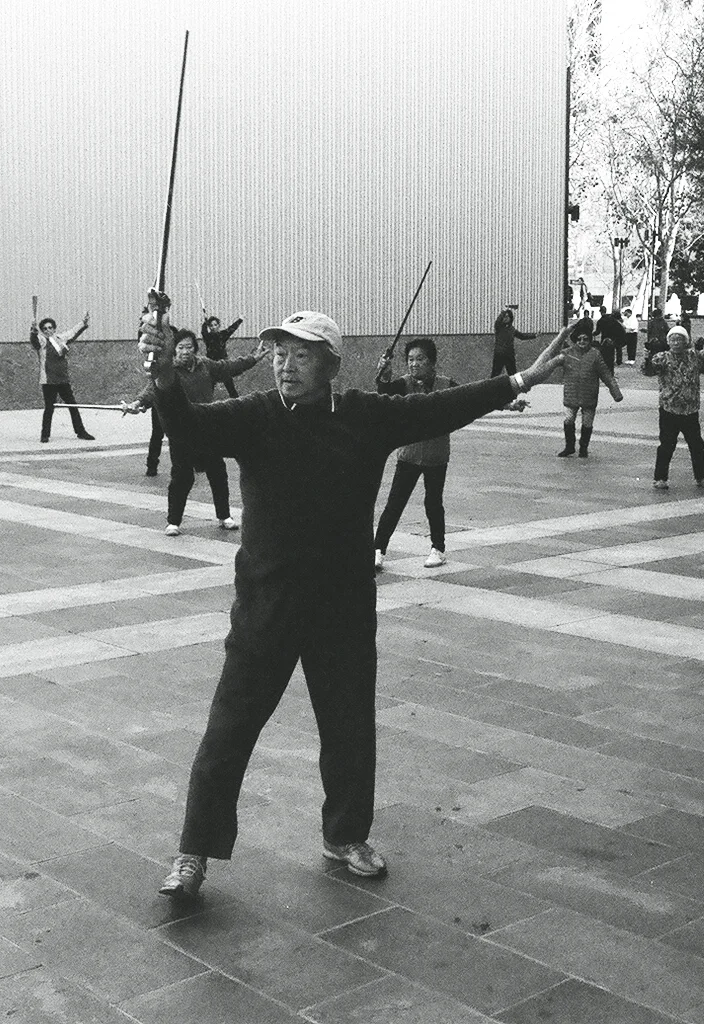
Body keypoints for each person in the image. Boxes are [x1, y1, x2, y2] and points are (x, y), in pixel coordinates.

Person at [140, 306, 568, 899]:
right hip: (266, 605)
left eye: (302, 354)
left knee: (349, 729)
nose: (287, 366)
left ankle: (345, 835)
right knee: (228, 731)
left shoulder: (365, 415)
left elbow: (441, 408)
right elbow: (188, 430)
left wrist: (519, 379)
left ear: (332, 365)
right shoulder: (255, 415)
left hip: (342, 606)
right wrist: (165, 378)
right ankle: (194, 851)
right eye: (280, 354)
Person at [130, 327, 267, 535]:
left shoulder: (206, 365)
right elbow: (152, 389)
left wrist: (253, 358)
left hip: (207, 428)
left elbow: (229, 367)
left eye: (189, 347)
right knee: (182, 478)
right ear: (174, 350)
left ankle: (224, 515)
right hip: (181, 432)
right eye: (180, 347)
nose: (185, 351)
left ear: (195, 348)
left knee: (218, 474)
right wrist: (138, 403)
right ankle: (173, 522)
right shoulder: (170, 372)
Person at [372, 338, 457, 571]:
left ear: (432, 362)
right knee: (395, 504)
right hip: (408, 455)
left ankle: (438, 549)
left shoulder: (446, 385)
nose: (414, 364)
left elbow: (472, 398)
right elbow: (384, 395)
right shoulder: (404, 384)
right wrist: (384, 376)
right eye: (410, 359)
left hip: (436, 456)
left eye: (420, 359)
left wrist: (505, 403)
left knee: (433, 503)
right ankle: (378, 549)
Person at [644, 322, 704, 490]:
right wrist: (647, 358)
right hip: (669, 409)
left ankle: (701, 477)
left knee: (697, 445)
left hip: (690, 410)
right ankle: (660, 478)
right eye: (673, 340)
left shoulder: (694, 356)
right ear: (668, 342)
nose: (676, 343)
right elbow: (648, 371)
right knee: (667, 445)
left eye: (680, 339)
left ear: (686, 341)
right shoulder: (662, 357)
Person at [557, 319, 623, 457]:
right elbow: (550, 362)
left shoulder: (595, 355)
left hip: (589, 395)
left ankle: (583, 448)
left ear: (590, 340)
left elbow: (606, 374)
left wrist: (616, 393)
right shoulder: (567, 353)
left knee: (587, 423)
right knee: (568, 420)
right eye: (579, 339)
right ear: (575, 340)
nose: (582, 342)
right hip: (571, 394)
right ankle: (569, 446)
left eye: (585, 339)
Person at [30, 312, 94, 443]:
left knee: (72, 406)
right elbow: (34, 341)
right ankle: (45, 434)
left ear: (54, 329)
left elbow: (73, 332)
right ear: (42, 331)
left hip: (63, 380)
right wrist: (33, 331)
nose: (48, 330)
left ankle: (80, 431)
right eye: (45, 329)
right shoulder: (42, 341)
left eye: (50, 327)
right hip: (48, 381)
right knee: (49, 408)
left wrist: (83, 322)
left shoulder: (60, 339)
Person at [200, 314, 245, 397]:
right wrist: (205, 322)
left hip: (223, 364)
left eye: (215, 325)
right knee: (209, 388)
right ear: (209, 327)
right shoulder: (207, 337)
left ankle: (237, 402)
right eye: (211, 325)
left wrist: (240, 320)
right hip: (212, 364)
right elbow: (203, 331)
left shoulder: (222, 335)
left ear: (219, 325)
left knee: (230, 387)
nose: (213, 327)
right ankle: (206, 403)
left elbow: (231, 328)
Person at [491, 307, 537, 378]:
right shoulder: (499, 327)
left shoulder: (512, 329)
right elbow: (498, 320)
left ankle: (513, 385)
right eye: (504, 317)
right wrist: (504, 311)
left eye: (507, 316)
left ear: (510, 318)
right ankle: (491, 385)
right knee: (495, 375)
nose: (506, 318)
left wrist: (534, 335)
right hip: (499, 354)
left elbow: (522, 336)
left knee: (513, 375)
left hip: (509, 354)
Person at [595, 304, 625, 369]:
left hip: (605, 337)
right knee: (618, 348)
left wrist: (592, 334)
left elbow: (597, 332)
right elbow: (619, 326)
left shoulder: (600, 321)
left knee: (606, 350)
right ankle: (619, 361)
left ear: (600, 312)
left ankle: (607, 361)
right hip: (615, 335)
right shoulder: (612, 318)